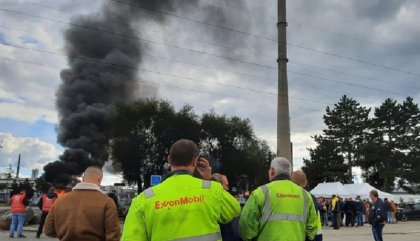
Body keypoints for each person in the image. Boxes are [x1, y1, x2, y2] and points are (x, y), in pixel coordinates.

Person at [121, 139, 241, 241]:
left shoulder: (143, 199)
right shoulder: (212, 189)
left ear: (169, 160)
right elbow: (234, 209)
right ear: (195, 160)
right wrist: (208, 180)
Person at [239, 157, 317, 241]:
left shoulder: (260, 193)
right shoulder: (305, 195)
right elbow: (312, 226)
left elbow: (246, 224)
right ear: (289, 173)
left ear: (272, 171)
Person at [44, 166, 120, 241]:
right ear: (100, 179)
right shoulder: (107, 202)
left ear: (83, 179)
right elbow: (113, 235)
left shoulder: (60, 200)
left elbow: (49, 230)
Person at [291, 170, 323, 241]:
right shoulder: (310, 197)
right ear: (305, 183)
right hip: (315, 233)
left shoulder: (289, 197)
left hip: (301, 233)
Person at [211, 173, 241, 241]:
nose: (228, 188)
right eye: (226, 185)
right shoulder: (229, 209)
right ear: (218, 186)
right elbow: (235, 234)